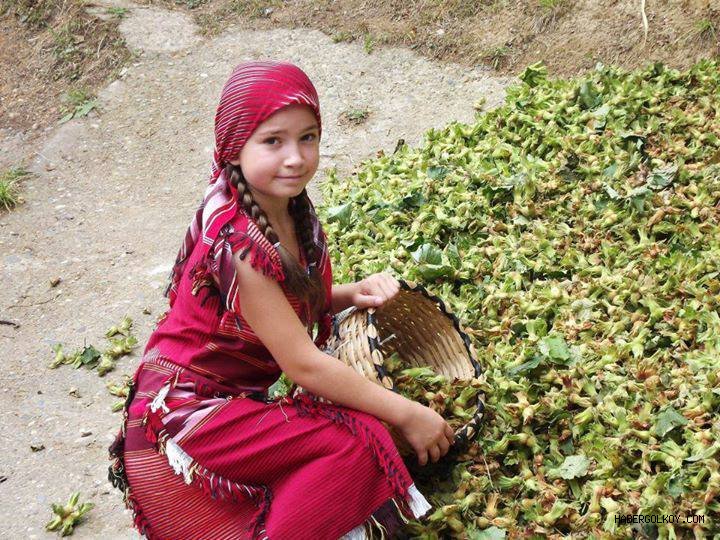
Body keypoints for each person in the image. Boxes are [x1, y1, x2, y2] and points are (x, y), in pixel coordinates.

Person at [108, 60, 454, 540]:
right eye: (273, 141)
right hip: (186, 413)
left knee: (349, 436)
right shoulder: (239, 243)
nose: (295, 157)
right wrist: (406, 412)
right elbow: (304, 365)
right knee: (356, 444)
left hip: (231, 398)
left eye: (308, 137)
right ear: (234, 146)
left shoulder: (291, 211)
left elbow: (277, 312)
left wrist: (347, 295)